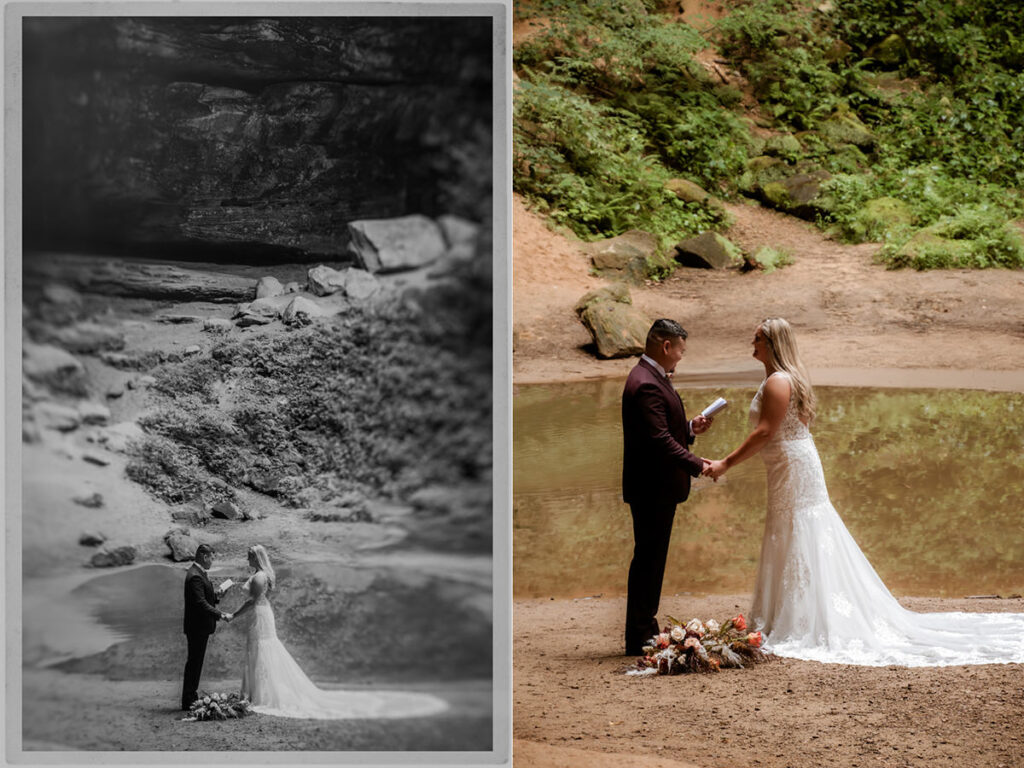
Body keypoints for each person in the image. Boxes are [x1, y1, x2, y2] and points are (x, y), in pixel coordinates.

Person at [703, 318, 1024, 665]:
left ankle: (804, 618)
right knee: (793, 528)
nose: (752, 343)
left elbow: (766, 432)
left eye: (758, 339)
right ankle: (789, 613)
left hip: (792, 467)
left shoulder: (779, 381)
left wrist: (725, 463)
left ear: (773, 343)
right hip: (789, 464)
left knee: (800, 527)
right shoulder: (780, 379)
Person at [223, 545, 448, 718]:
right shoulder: (261, 575)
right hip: (262, 614)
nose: (247, 559)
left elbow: (253, 602)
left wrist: (233, 615)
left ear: (257, 557)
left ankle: (260, 695)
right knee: (258, 650)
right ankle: (253, 694)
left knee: (262, 650)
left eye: (249, 555)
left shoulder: (260, 576)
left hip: (260, 615)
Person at [621, 319, 714, 655]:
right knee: (648, 560)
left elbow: (662, 429)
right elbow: (658, 440)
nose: (680, 358)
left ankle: (644, 628)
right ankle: (640, 635)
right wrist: (699, 464)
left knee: (651, 559)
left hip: (655, 486)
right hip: (652, 487)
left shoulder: (650, 377)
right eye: (680, 351)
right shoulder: (646, 382)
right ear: (666, 346)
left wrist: (690, 428)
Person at [181, 544, 230, 710]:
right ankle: (188, 700)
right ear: (204, 556)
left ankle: (191, 696)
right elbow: (200, 603)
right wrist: (219, 614)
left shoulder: (198, 573)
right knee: (194, 663)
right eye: (212, 558)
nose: (213, 561)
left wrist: (216, 595)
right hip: (197, 627)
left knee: (195, 662)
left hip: (198, 626)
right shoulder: (195, 575)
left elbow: (203, 597)